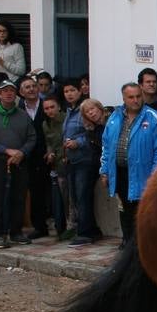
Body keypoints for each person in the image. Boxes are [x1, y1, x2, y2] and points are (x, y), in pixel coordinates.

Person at [100, 82, 157, 248]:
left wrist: (154, 175)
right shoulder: (114, 117)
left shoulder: (154, 118)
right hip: (120, 171)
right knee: (124, 207)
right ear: (123, 98)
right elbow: (106, 146)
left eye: (138, 96)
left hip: (143, 174)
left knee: (141, 209)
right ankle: (127, 240)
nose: (135, 100)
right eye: (131, 97)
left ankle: (142, 245)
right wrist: (105, 171)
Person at [0, 78, 36, 249]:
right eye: (5, 91)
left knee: (18, 196)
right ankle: (0, 232)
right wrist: (5, 150)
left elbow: (32, 138)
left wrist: (21, 152)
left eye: (12, 90)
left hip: (19, 161)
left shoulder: (22, 115)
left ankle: (16, 231)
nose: (9, 93)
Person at [63, 96, 102, 246]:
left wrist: (77, 143)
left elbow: (85, 139)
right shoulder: (70, 113)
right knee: (77, 196)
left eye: (92, 109)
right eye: (87, 111)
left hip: (86, 160)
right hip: (73, 160)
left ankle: (85, 232)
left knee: (82, 195)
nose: (91, 113)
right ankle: (90, 229)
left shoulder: (108, 121)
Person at [17, 75, 50, 239]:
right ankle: (39, 226)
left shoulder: (47, 106)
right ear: (21, 92)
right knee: (34, 192)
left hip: (47, 154)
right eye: (27, 87)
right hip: (26, 156)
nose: (31, 89)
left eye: (33, 86)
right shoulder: (18, 110)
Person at [40, 95, 71, 239]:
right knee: (58, 199)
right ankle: (61, 228)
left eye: (52, 107)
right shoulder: (46, 124)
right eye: (46, 108)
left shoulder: (67, 119)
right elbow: (49, 143)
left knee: (70, 199)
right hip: (56, 166)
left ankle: (72, 227)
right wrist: (49, 152)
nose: (50, 110)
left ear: (58, 106)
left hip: (69, 163)